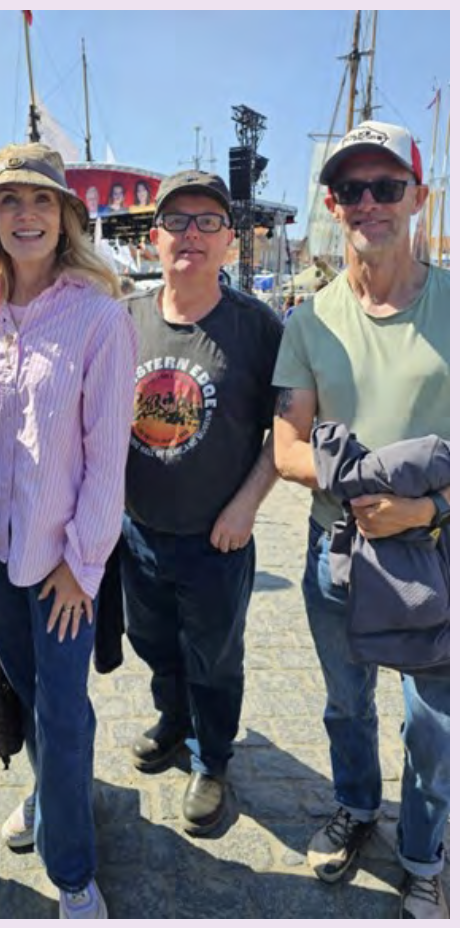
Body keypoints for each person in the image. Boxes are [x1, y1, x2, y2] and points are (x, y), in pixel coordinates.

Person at [0, 141, 137, 919]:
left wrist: (81, 563)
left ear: (66, 218)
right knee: (28, 695)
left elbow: (106, 458)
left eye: (43, 201)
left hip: (63, 564)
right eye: (11, 201)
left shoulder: (99, 318)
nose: (27, 214)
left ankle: (73, 868)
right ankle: (55, 790)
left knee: (60, 706)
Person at [272, 119, 450, 919]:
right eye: (352, 189)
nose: (370, 202)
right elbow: (286, 445)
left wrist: (426, 507)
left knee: (433, 725)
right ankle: (355, 806)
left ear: (418, 197)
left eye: (386, 187)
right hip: (338, 549)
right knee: (347, 702)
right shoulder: (311, 320)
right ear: (334, 206)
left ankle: (422, 853)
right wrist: (362, 488)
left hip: (435, 550)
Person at [120, 169, 283, 836]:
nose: (192, 233)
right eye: (178, 222)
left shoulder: (256, 327)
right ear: (154, 238)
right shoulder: (123, 318)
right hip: (138, 532)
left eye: (208, 222)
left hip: (218, 538)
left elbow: (289, 430)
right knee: (153, 643)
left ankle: (212, 761)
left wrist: (246, 506)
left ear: (229, 242)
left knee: (214, 656)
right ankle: (173, 722)